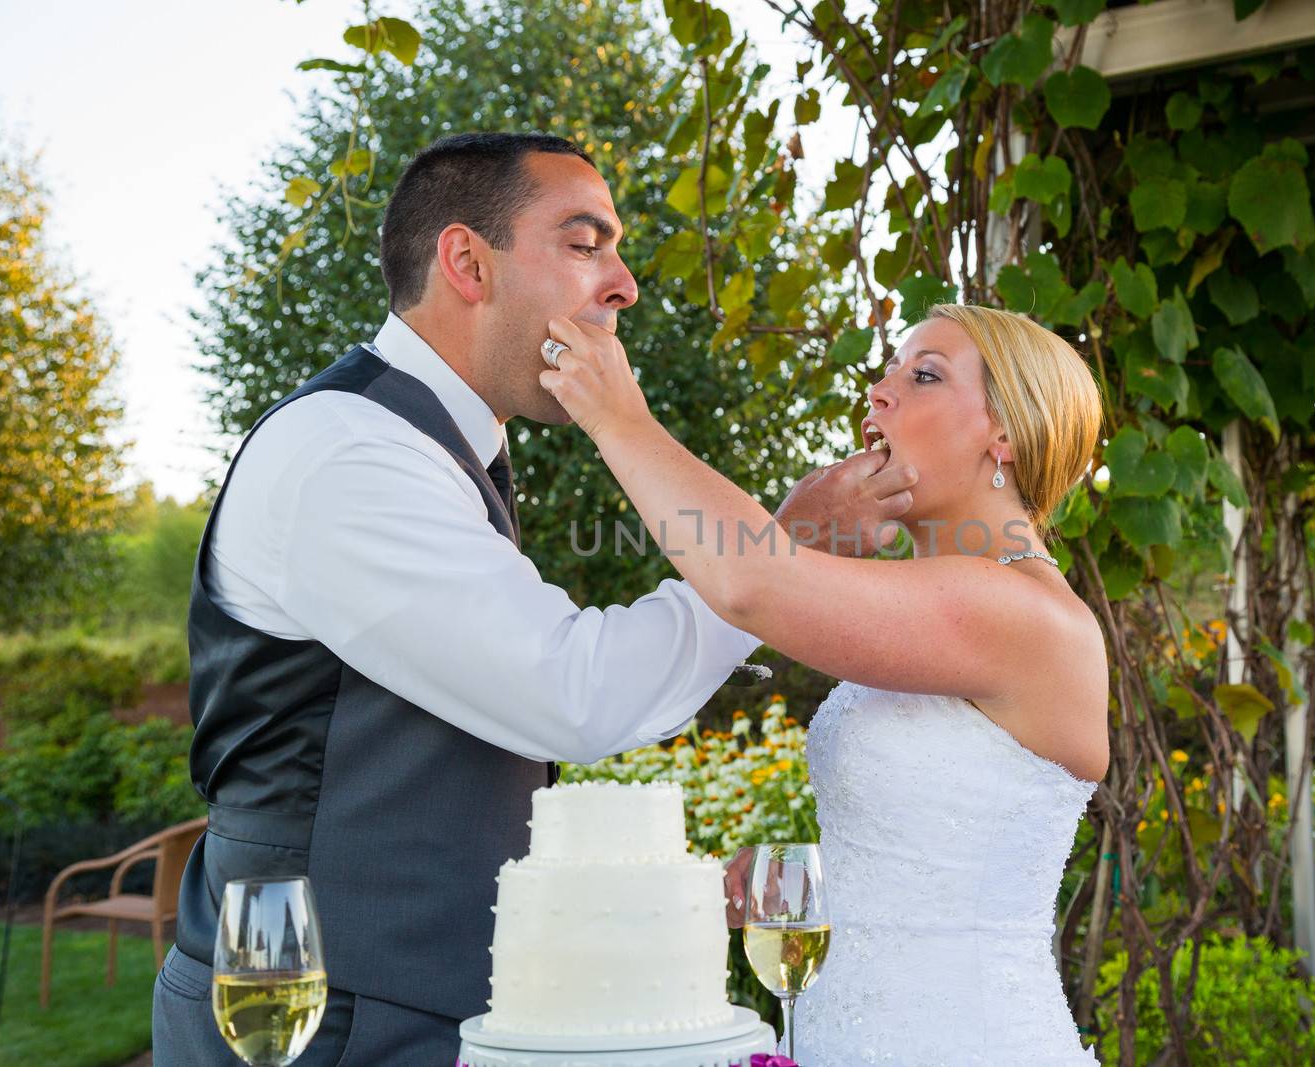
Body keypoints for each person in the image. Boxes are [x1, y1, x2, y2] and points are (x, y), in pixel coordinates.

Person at [151, 132, 916, 1066]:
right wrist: (776, 556)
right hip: (309, 1017)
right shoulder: (350, 454)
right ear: (468, 262)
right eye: (586, 244)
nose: (626, 283)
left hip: (410, 1012)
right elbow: (570, 690)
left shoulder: (435, 448)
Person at [544, 302, 1110, 1065]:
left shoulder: (1024, 612)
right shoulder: (941, 604)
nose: (879, 390)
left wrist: (620, 417)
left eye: (925, 375)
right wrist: (821, 880)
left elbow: (749, 582)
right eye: (890, 368)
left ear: (1005, 435)